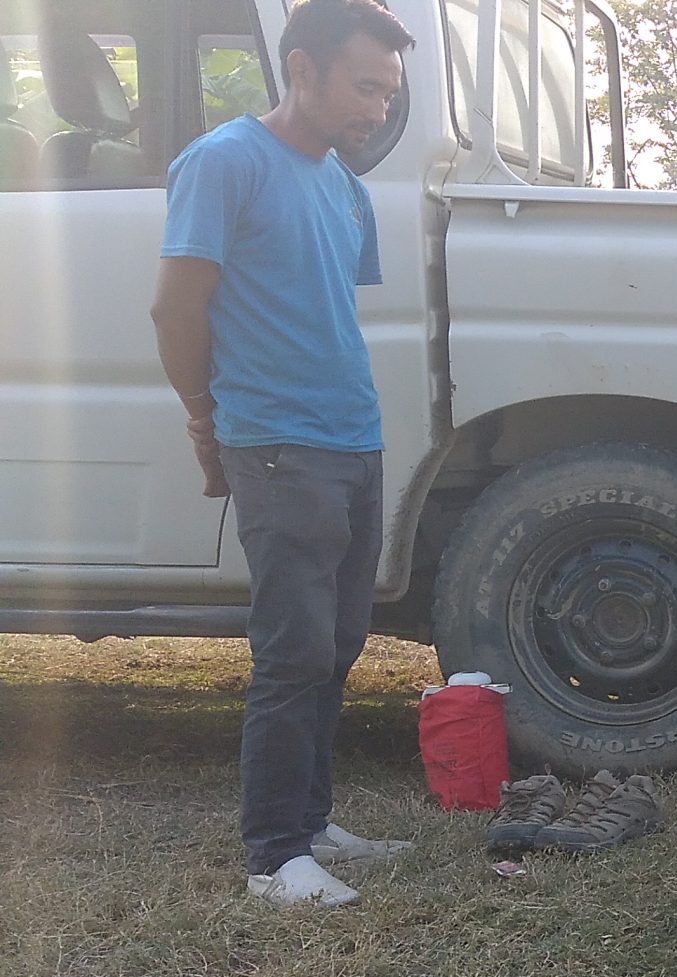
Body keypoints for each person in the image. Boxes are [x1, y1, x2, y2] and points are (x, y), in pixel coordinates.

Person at [152, 0, 416, 908]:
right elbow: (175, 308)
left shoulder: (345, 187)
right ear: (301, 69)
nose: (378, 109)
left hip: (354, 439)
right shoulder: (225, 162)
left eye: (388, 92)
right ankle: (273, 856)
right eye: (365, 86)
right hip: (276, 445)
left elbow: (321, 312)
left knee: (340, 643)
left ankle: (311, 820)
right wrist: (204, 422)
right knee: (292, 648)